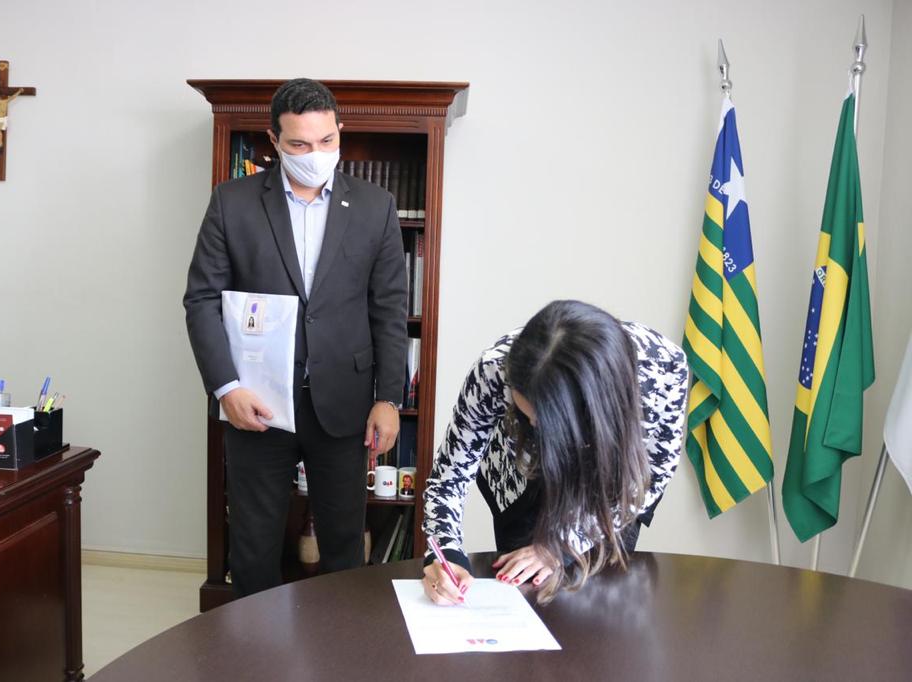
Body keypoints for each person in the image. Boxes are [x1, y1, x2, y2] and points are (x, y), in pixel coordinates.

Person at [184, 78, 408, 597]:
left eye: (327, 140)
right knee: (254, 546)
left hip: (344, 402)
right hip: (257, 402)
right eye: (300, 144)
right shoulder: (232, 202)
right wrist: (226, 388)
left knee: (344, 547)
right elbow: (201, 301)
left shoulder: (375, 206)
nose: (316, 154)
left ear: (339, 131)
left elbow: (389, 310)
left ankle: (337, 643)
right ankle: (257, 645)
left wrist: (389, 398)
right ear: (274, 140)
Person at [421, 300, 688, 605]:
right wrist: (446, 552)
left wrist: (561, 547)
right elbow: (449, 477)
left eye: (543, 421)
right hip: (526, 481)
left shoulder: (661, 370)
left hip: (612, 490)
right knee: (525, 598)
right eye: (527, 415)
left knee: (603, 603)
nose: (534, 425)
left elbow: (653, 475)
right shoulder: (494, 370)